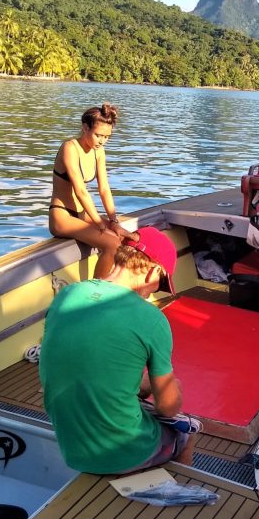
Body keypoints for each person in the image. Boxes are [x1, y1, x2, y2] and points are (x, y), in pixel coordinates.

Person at [39, 227, 198, 475]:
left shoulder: (66, 295)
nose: (153, 292)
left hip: (70, 445)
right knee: (185, 433)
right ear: (153, 272)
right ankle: (171, 494)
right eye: (160, 284)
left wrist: (143, 384)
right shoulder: (152, 318)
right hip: (120, 454)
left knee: (138, 386)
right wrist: (173, 388)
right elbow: (168, 408)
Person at [48, 103, 137, 280]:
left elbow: (104, 189)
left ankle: (114, 283)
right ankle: (96, 295)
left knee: (124, 238)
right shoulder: (70, 148)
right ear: (85, 127)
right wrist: (100, 224)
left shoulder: (99, 152)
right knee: (112, 244)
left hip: (82, 215)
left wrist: (113, 221)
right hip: (62, 216)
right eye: (98, 135)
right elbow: (80, 190)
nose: (102, 141)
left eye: (107, 137)